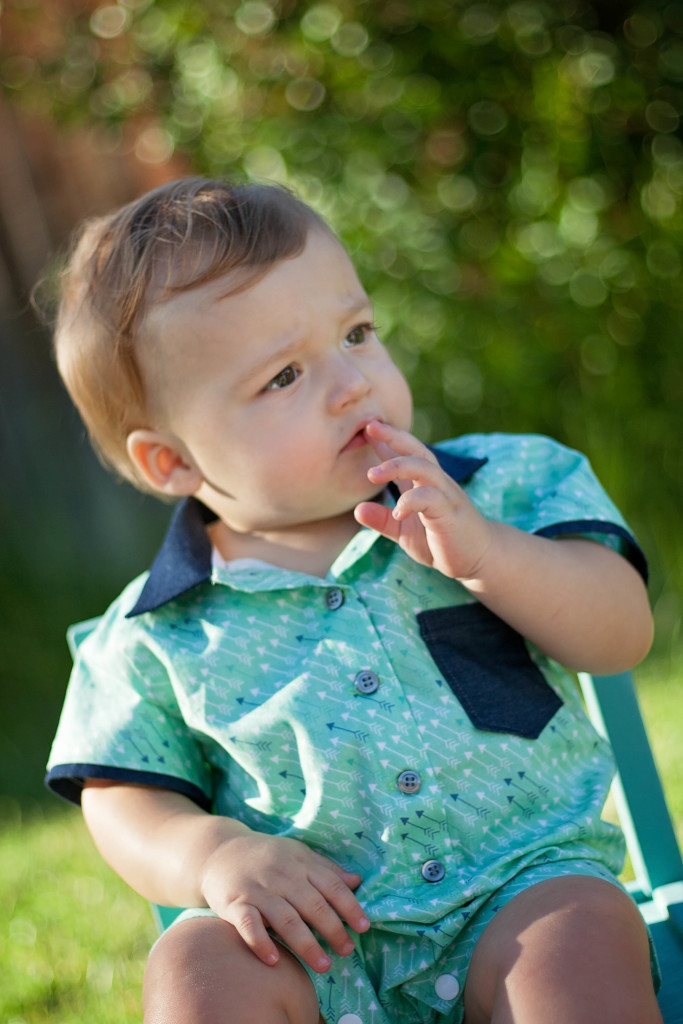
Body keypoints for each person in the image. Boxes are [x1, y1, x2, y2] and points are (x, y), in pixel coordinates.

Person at [45, 176, 662, 1024]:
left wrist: (487, 554)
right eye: (285, 375)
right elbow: (122, 799)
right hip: (308, 947)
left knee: (579, 941)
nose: (352, 383)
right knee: (196, 964)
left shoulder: (498, 487)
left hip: (524, 891)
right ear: (172, 463)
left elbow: (619, 632)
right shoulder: (152, 632)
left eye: (357, 333)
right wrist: (214, 854)